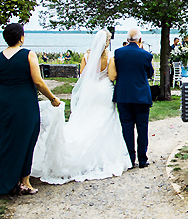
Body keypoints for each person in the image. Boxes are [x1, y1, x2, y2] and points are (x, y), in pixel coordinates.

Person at [31, 29, 132, 184]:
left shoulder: (87, 56)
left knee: (87, 117)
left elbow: (83, 75)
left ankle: (77, 153)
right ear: (107, 42)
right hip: (104, 89)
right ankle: (101, 157)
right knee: (105, 119)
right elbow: (112, 76)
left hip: (89, 89)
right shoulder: (111, 57)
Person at [0, 23, 62, 197]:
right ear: (21, 37)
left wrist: (0, 103)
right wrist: (52, 98)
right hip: (24, 103)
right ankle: (24, 182)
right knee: (26, 139)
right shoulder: (28, 55)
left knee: (2, 140)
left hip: (3, 102)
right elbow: (38, 81)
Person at [108, 28, 154, 168]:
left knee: (127, 127)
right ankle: (142, 159)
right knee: (142, 127)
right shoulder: (146, 55)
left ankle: (129, 158)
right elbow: (150, 74)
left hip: (124, 95)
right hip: (141, 95)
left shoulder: (118, 53)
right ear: (140, 40)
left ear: (127, 40)